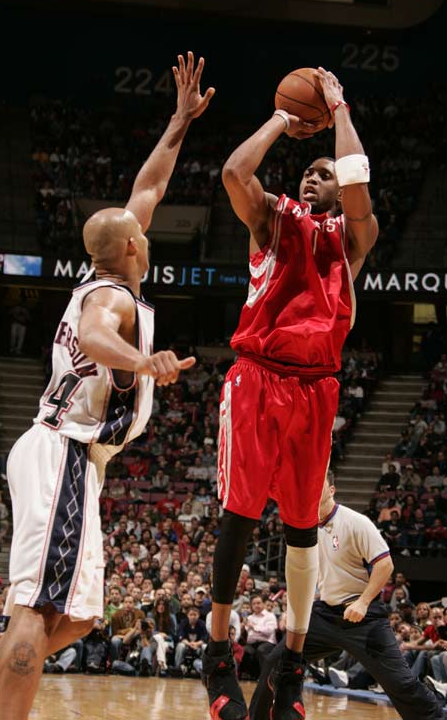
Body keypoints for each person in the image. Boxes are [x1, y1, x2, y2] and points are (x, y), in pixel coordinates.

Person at [0, 51, 214, 720]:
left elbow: (148, 188)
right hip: (63, 450)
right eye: (141, 232)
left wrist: (180, 121)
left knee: (79, 617)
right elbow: (95, 336)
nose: (146, 228)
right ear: (133, 249)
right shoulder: (111, 299)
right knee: (38, 611)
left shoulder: (104, 271)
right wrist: (142, 362)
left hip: (73, 459)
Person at [202, 67, 378, 720]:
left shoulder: (352, 240)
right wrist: (283, 118)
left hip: (315, 388)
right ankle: (216, 649)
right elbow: (233, 172)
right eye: (308, 171)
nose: (314, 177)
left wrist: (337, 109)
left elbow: (356, 182)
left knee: (303, 526)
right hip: (257, 377)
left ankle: (294, 662)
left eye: (324, 173)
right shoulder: (274, 219)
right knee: (241, 515)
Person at [249, 472, 443, 720]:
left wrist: (363, 602)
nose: (311, 487)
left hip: (363, 617)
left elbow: (385, 565)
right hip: (324, 614)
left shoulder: (355, 522)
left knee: (401, 683)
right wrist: (295, 611)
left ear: (332, 490)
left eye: (319, 483)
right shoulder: (305, 528)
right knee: (275, 661)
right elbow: (309, 576)